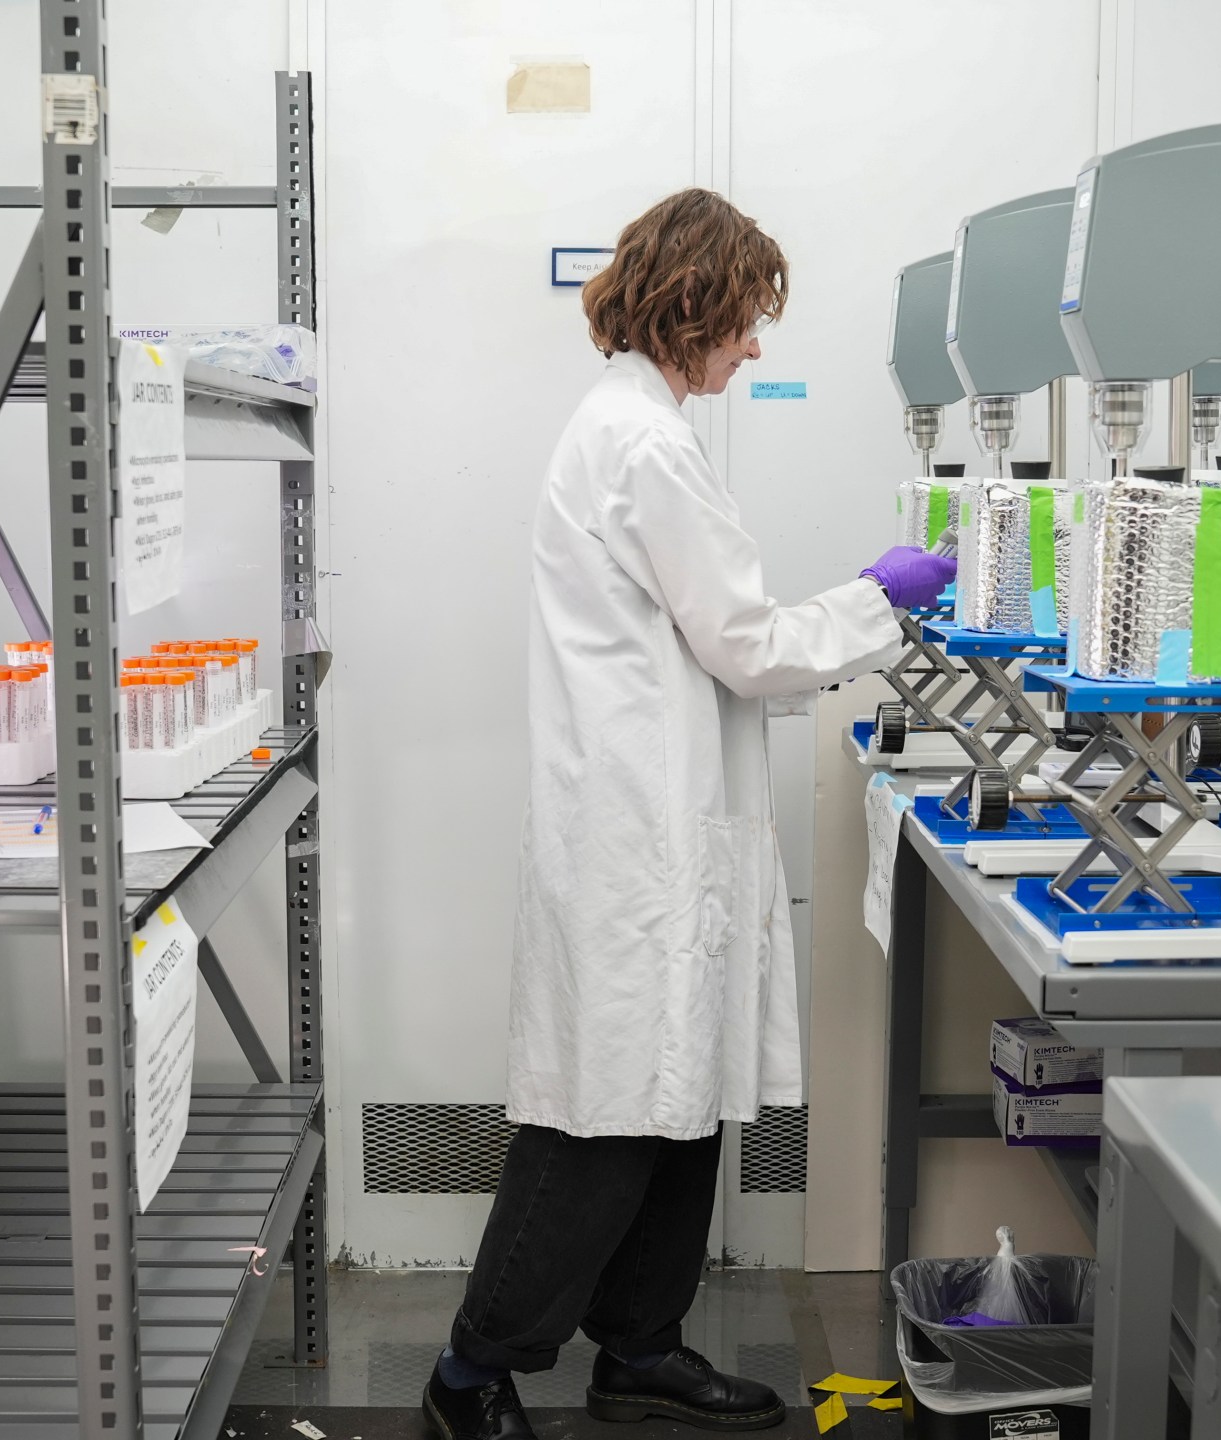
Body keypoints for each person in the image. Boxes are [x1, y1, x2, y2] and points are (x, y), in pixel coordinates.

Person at [423, 189, 956, 1440]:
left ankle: (639, 1349)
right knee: (603, 1117)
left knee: (683, 1095)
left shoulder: (636, 428)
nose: (755, 347)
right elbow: (749, 645)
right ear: (693, 309)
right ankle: (468, 1375)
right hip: (633, 834)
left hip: (661, 821)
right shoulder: (645, 445)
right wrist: (881, 597)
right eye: (747, 321)